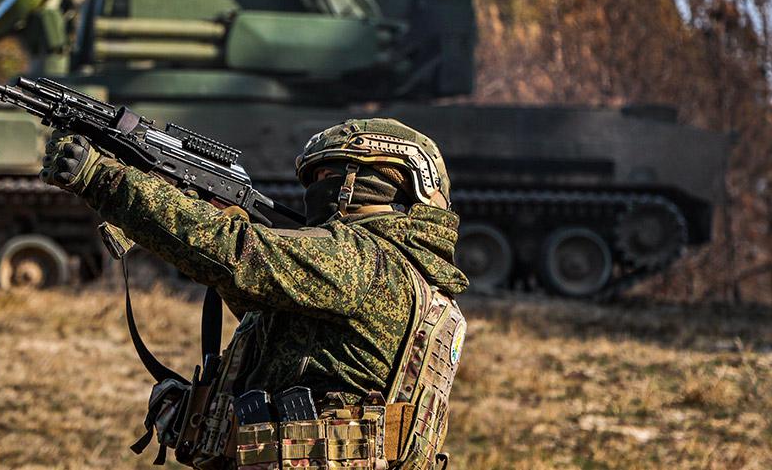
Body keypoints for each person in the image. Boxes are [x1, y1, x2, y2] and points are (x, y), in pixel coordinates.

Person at [41, 117, 468, 469]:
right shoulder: (392, 273)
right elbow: (251, 286)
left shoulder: (367, 265)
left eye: (331, 176)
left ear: (381, 182)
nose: (317, 190)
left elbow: (237, 252)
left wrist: (106, 180)